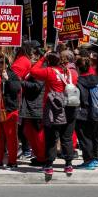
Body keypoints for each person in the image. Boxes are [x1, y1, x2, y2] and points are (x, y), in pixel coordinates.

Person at [30, 51, 78, 179]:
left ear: (49, 61)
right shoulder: (72, 73)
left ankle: (49, 165)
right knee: (67, 138)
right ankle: (68, 164)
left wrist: (43, 58)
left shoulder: (49, 71)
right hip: (70, 107)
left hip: (54, 109)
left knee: (51, 138)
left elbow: (33, 71)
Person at [75, 56, 98, 169]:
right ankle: (95, 158)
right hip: (97, 112)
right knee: (95, 137)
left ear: (78, 68)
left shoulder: (77, 81)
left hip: (82, 113)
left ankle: (89, 161)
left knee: (85, 138)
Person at [0, 53, 21, 170]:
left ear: (7, 64)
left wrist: (8, 80)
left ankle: (12, 161)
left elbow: (17, 89)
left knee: (11, 137)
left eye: (2, 63)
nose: (0, 65)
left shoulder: (12, 75)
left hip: (9, 110)